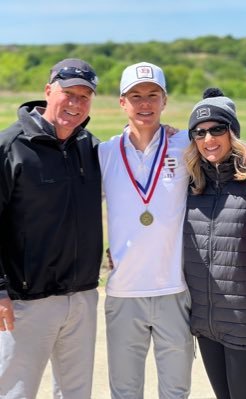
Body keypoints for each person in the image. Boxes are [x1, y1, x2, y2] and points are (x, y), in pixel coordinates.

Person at [99, 62, 246, 399]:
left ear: (164, 100)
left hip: (175, 292)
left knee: (176, 391)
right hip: (123, 292)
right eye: (136, 96)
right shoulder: (104, 152)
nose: (144, 103)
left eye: (153, 95)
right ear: (122, 102)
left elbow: (229, 146)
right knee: (124, 391)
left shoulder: (183, 146)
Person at [0, 58, 103, 398]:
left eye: (84, 96)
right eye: (67, 93)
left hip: (83, 297)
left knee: (75, 394)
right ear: (48, 91)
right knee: (15, 392)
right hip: (26, 301)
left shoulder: (91, 148)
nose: (75, 104)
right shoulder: (10, 146)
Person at [183, 88, 246, 399]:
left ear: (232, 131)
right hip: (205, 324)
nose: (208, 139)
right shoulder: (190, 185)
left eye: (218, 129)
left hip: (245, 323)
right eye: (199, 132)